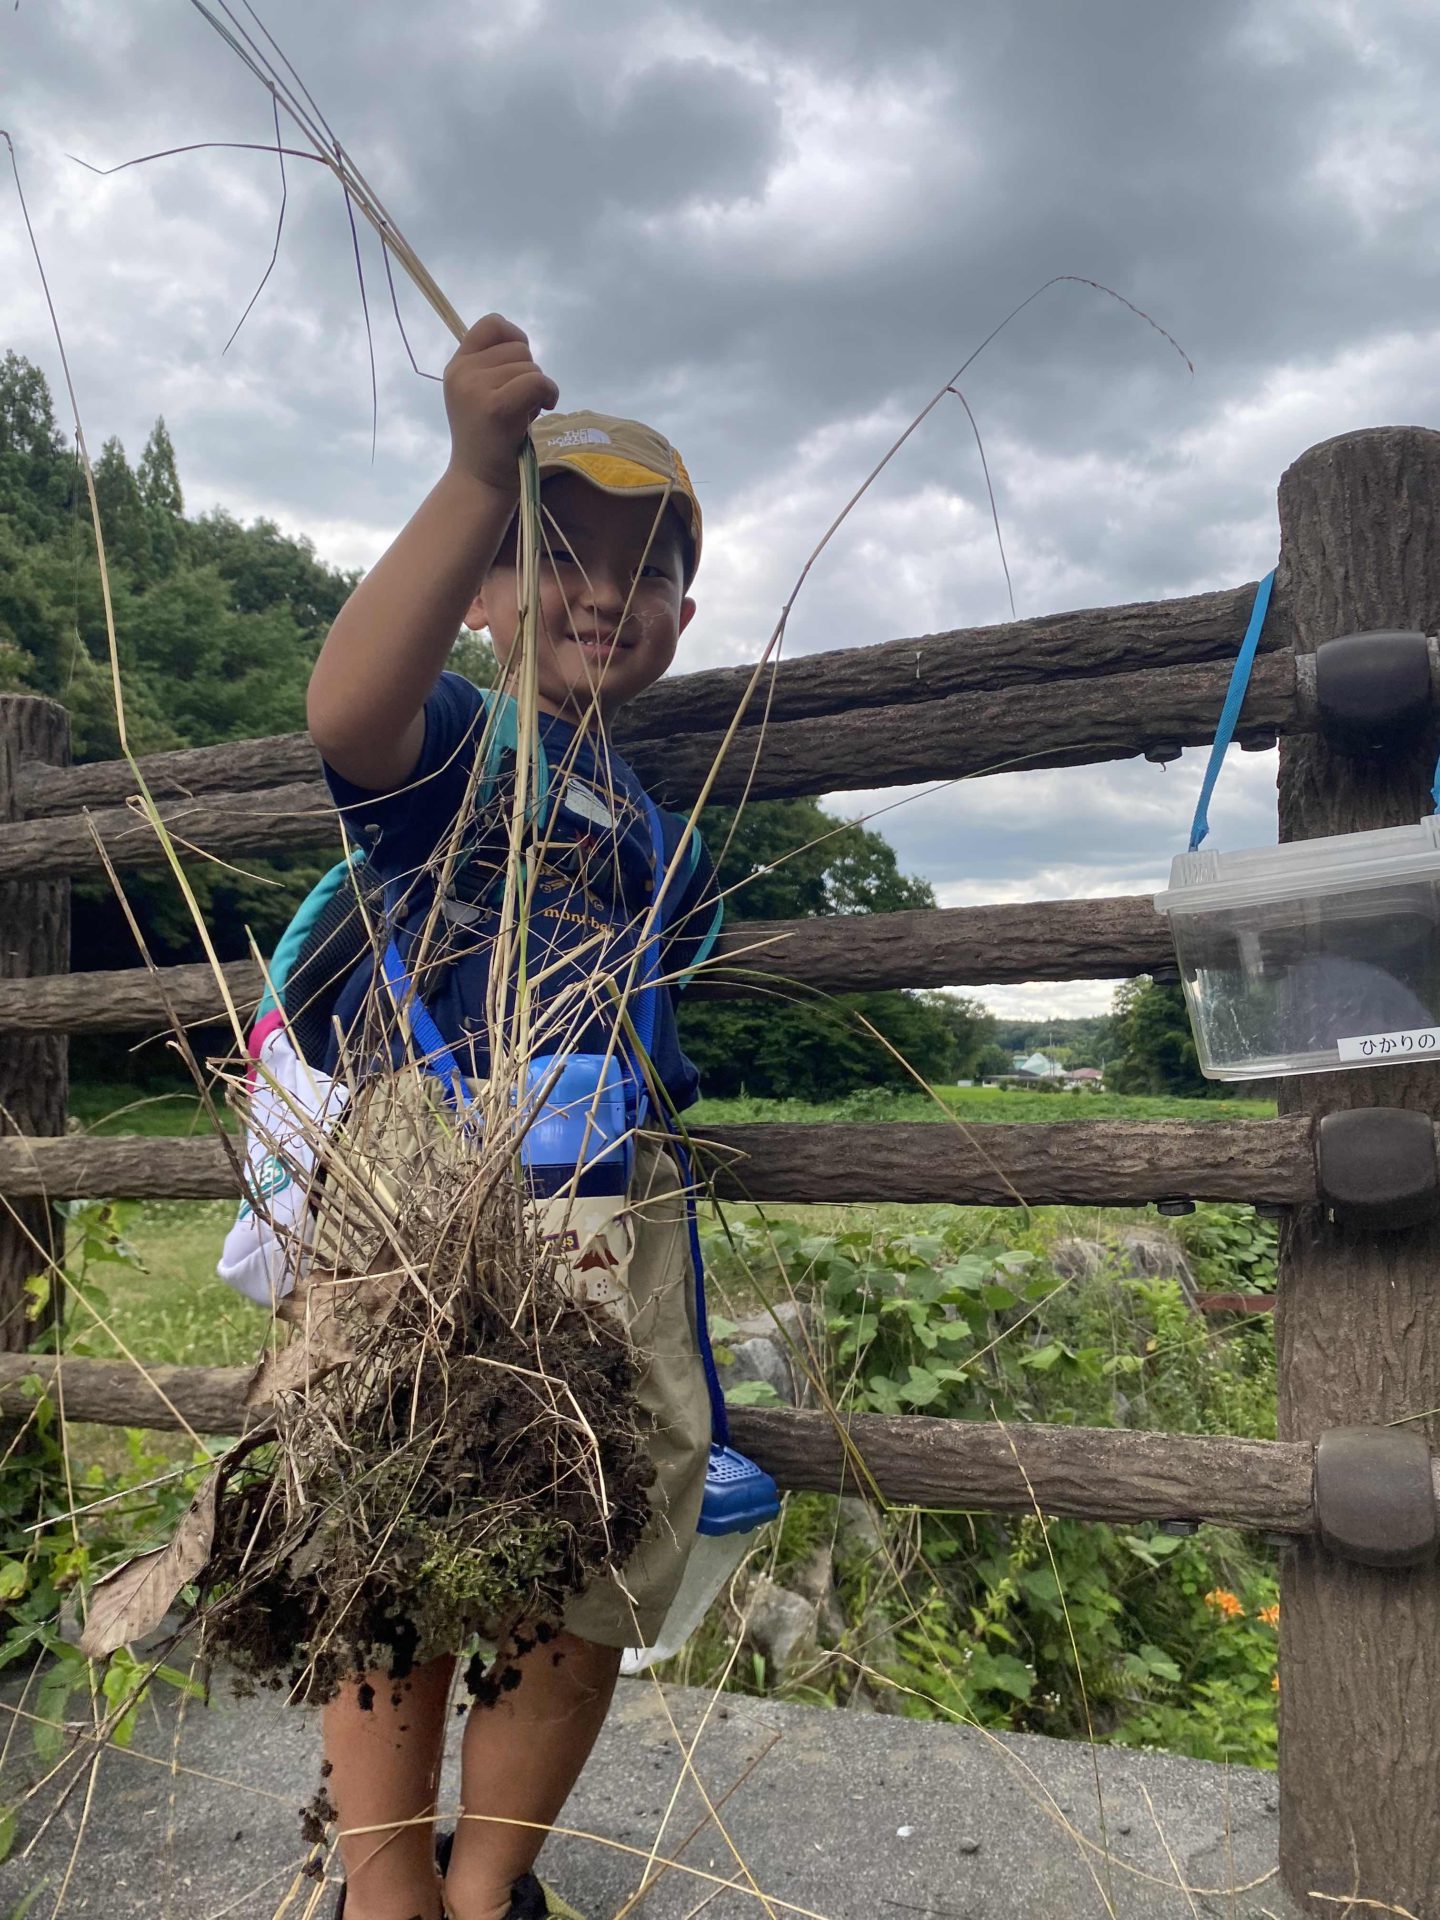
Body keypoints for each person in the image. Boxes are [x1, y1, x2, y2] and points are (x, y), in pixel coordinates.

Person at [305, 314, 721, 1920]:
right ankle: (388, 1884)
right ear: (484, 586)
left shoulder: (660, 825)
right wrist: (478, 467)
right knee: (384, 1520)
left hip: (622, 1196)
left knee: (600, 1530)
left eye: (651, 567)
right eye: (558, 550)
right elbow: (347, 711)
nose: (610, 590)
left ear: (688, 613)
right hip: (428, 1179)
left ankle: (494, 1886)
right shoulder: (460, 748)